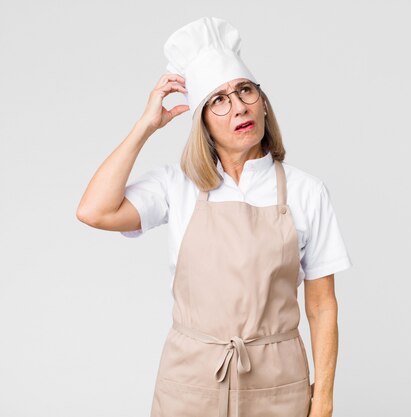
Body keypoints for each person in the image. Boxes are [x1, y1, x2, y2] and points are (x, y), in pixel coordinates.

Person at [76, 16, 352, 417]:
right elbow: (94, 210)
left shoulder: (307, 191)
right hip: (190, 382)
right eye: (219, 100)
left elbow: (323, 305)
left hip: (277, 383)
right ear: (203, 120)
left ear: (263, 101)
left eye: (245, 91)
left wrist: (323, 398)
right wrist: (145, 126)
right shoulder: (178, 186)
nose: (239, 106)